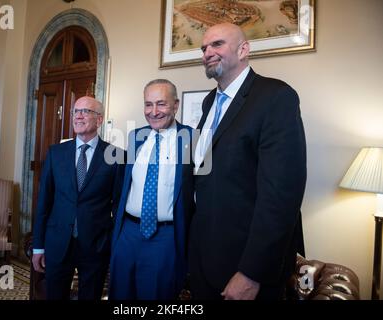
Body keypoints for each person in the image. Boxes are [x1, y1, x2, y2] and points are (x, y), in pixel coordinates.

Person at [189, 23, 306, 300]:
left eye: (217, 44)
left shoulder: (276, 97)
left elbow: (281, 196)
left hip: (245, 268)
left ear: (244, 50)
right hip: (204, 262)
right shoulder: (209, 102)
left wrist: (252, 273)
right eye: (204, 48)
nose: (207, 52)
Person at [109, 79, 194, 300]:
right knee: (120, 295)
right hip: (127, 233)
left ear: (175, 105)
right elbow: (123, 186)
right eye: (148, 104)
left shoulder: (193, 139)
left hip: (165, 237)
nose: (153, 112)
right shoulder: (135, 136)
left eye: (161, 104)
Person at [32, 96, 124, 300]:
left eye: (85, 111)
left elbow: (118, 207)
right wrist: (38, 245)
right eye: (75, 111)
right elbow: (44, 203)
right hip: (57, 243)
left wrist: (114, 245)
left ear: (99, 120)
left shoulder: (116, 155)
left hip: (96, 245)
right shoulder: (56, 153)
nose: (78, 116)